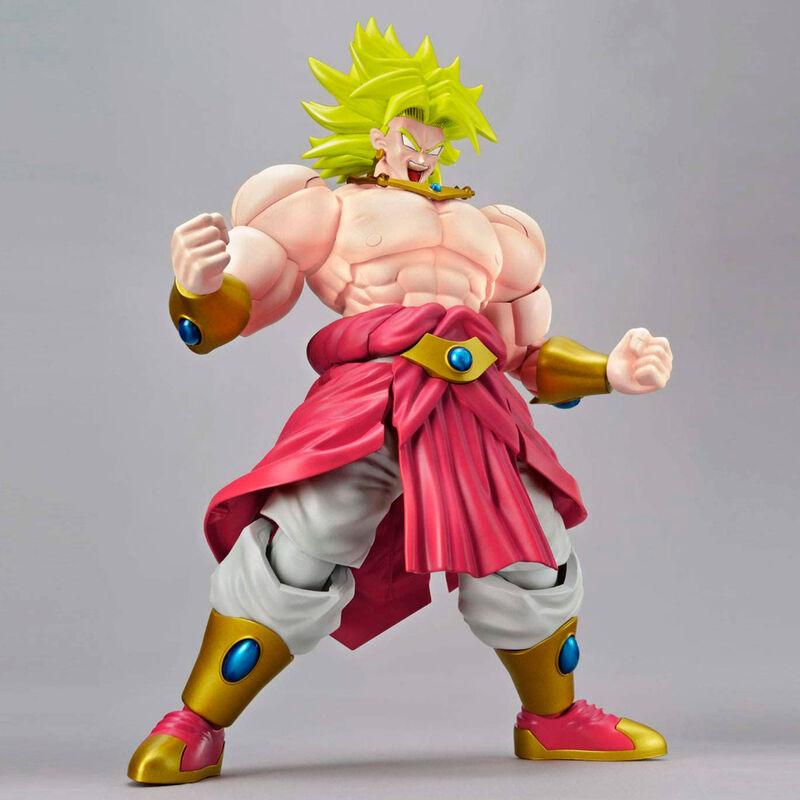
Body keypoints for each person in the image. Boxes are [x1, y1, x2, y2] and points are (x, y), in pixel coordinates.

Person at [128, 19, 674, 784]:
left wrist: (609, 369)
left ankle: (553, 720)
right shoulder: (322, 207)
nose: (427, 146)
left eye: (439, 133)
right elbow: (240, 306)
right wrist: (199, 286)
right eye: (412, 129)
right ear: (375, 130)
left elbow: (528, 357)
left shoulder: (496, 231)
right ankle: (197, 722)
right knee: (296, 554)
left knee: (534, 556)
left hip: (475, 407)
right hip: (369, 401)